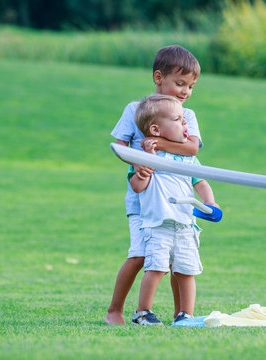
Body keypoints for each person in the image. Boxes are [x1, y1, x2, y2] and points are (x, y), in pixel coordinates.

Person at [106, 45, 203, 325]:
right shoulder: (134, 109)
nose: (185, 91)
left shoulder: (188, 115)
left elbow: (192, 148)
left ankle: (181, 315)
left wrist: (157, 143)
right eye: (180, 83)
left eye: (191, 86)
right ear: (159, 77)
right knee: (139, 254)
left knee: (176, 259)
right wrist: (137, 161)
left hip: (174, 198)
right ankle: (115, 311)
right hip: (142, 196)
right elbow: (119, 145)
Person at [129, 94, 218, 325]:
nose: (185, 123)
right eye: (178, 119)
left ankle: (184, 315)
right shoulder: (145, 157)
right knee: (156, 268)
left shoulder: (188, 160)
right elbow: (138, 186)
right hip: (158, 225)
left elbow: (201, 182)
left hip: (186, 225)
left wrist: (211, 202)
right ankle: (142, 312)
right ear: (156, 130)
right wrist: (145, 165)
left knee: (186, 271)